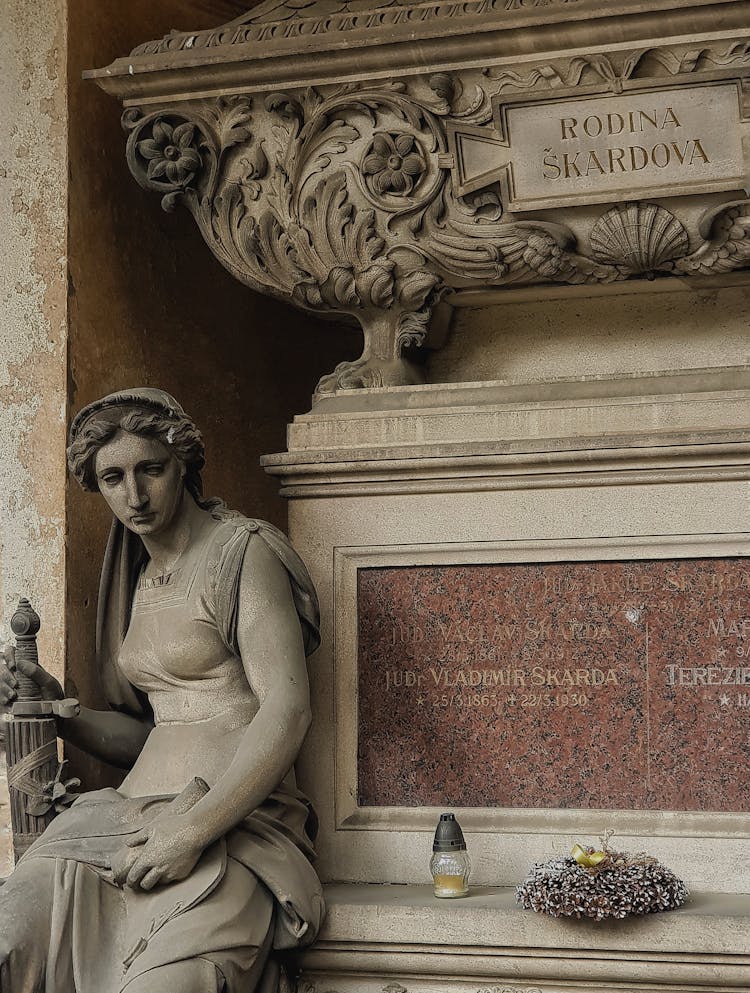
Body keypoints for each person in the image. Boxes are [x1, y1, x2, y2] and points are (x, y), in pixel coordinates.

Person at [0, 388, 324, 993]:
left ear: (184, 465)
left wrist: (193, 830)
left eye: (150, 469)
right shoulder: (138, 576)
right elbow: (156, 733)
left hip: (227, 828)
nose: (134, 495)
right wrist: (61, 712)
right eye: (113, 477)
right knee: (7, 940)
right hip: (114, 825)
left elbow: (288, 709)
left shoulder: (241, 552)